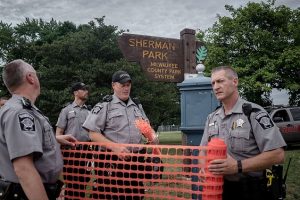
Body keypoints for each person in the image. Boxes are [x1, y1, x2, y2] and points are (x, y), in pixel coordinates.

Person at [200, 66, 286, 200]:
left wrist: (237, 166)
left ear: (235, 82)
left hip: (250, 190)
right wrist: (203, 168)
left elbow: (278, 155)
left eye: (220, 81)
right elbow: (203, 151)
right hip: (218, 189)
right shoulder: (212, 118)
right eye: (213, 83)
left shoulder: (254, 113)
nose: (216, 87)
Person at [0, 59, 75, 200]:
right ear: (30, 78)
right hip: (26, 193)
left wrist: (55, 139)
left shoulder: (18, 109)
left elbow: (14, 142)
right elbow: (24, 169)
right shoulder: (20, 112)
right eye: (36, 74)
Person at [83, 70, 152, 200]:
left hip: (136, 162)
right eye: (122, 85)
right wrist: (115, 147)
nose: (126, 88)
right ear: (113, 85)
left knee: (136, 195)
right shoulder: (104, 105)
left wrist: (153, 138)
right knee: (111, 195)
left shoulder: (137, 105)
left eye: (128, 85)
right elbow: (92, 133)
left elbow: (147, 128)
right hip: (112, 162)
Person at [55, 82, 91, 199]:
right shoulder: (66, 110)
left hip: (86, 152)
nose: (87, 91)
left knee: (84, 180)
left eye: (87, 89)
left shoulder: (89, 112)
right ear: (76, 92)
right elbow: (59, 133)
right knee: (71, 183)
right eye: (83, 89)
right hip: (70, 152)